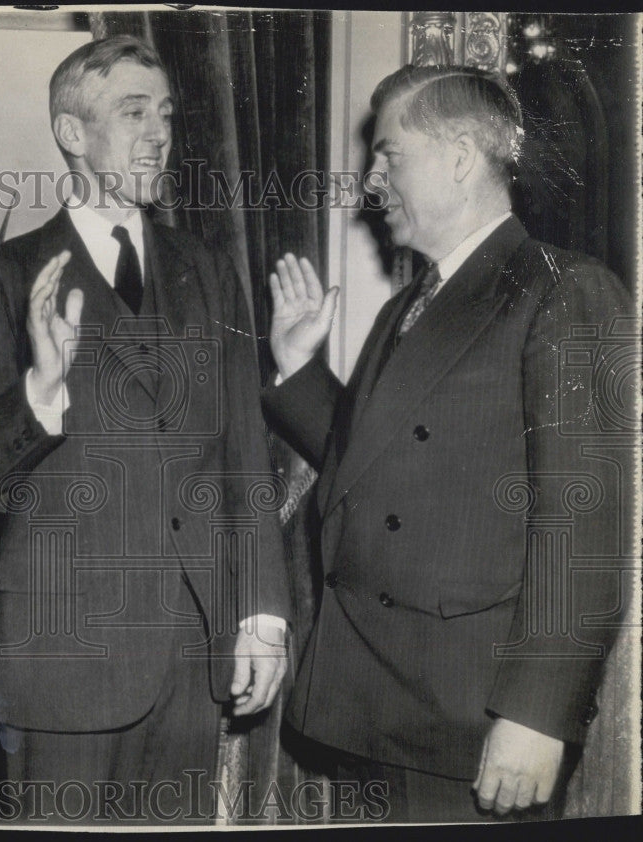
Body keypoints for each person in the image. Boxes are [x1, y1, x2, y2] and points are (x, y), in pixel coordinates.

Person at [261, 64, 631, 823]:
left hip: (469, 723)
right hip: (370, 708)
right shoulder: (410, 304)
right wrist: (301, 369)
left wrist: (536, 715)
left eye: (389, 156)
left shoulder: (565, 289)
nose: (371, 181)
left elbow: (585, 524)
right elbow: (371, 464)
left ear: (460, 157)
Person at [0, 35, 289, 823]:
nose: (158, 133)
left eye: (164, 113)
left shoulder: (209, 273)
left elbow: (243, 462)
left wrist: (262, 614)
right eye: (133, 112)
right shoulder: (6, 277)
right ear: (72, 133)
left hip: (189, 660)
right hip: (64, 657)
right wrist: (41, 391)